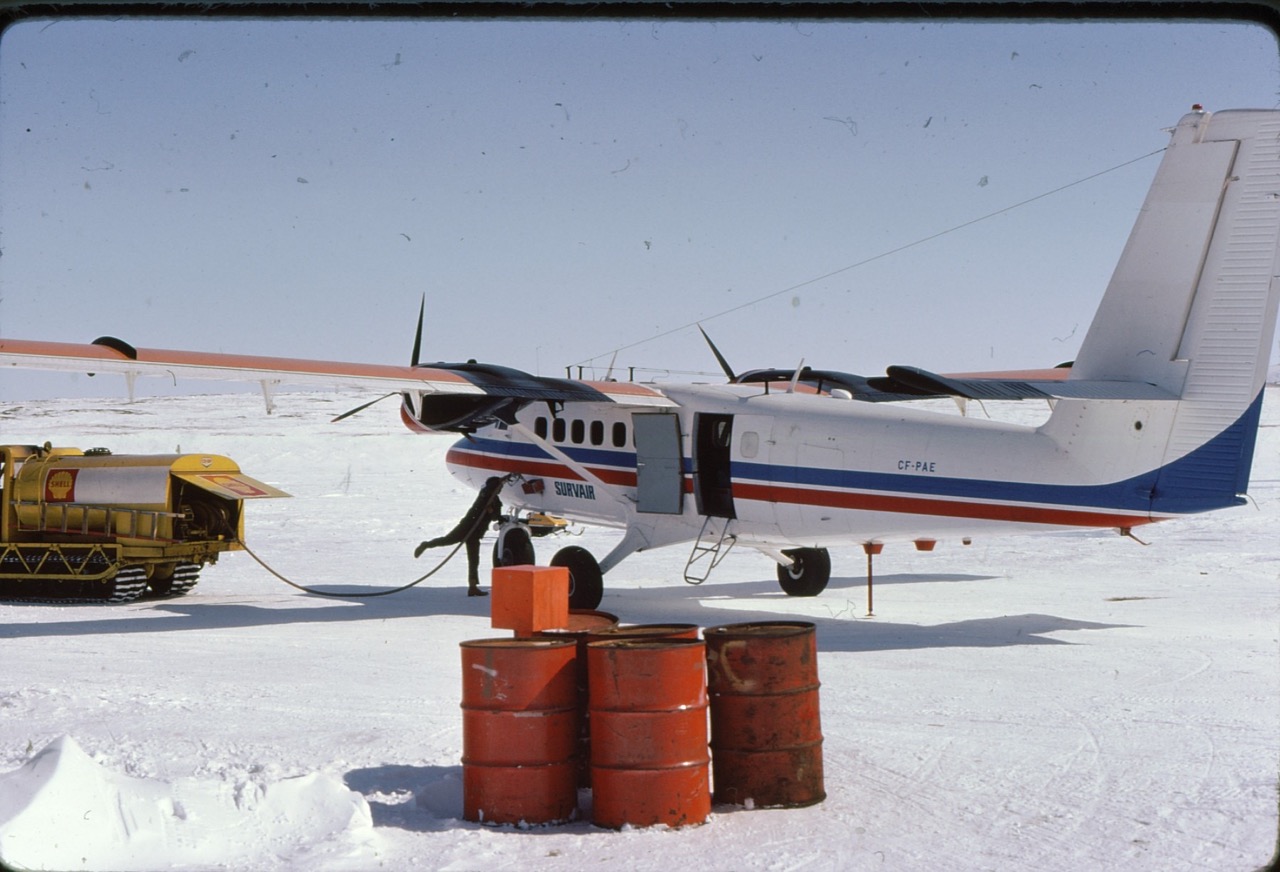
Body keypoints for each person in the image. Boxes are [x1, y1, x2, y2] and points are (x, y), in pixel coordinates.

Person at [414, 476, 505, 596]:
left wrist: (492, 512)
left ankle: (472, 587)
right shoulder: (484, 496)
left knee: (474, 560)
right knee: (447, 540)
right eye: (499, 488)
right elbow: (487, 491)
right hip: (466, 527)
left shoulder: (495, 501)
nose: (500, 490)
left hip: (476, 533)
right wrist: (495, 487)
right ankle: (426, 545)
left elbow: (495, 517)